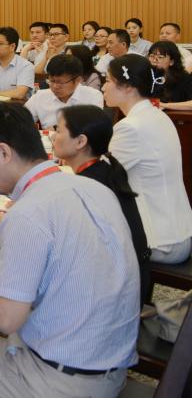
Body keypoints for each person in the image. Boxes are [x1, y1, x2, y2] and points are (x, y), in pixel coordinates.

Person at [0, 102, 139, 398]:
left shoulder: (27, 213)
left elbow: (6, 318)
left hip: (65, 379)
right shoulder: (93, 188)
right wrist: (3, 238)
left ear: (3, 152)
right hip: (109, 361)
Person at [54, 105, 151, 302]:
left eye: (58, 130)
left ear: (80, 141)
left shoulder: (87, 186)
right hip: (134, 280)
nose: (53, 136)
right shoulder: (106, 169)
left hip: (114, 293)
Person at [104, 54, 192, 263]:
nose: (103, 88)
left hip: (159, 241)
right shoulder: (157, 115)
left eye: (107, 81)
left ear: (127, 87)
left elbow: (104, 179)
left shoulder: (131, 126)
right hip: (179, 231)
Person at [24, 55, 104, 129]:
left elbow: (94, 128)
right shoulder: (40, 96)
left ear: (77, 80)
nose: (55, 86)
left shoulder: (93, 96)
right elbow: (21, 121)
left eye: (60, 82)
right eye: (52, 81)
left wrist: (57, 129)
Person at [148, 41, 192, 110]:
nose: (154, 60)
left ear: (171, 61)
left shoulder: (185, 78)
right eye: (152, 56)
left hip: (174, 115)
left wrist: (164, 105)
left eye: (160, 57)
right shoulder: (145, 75)